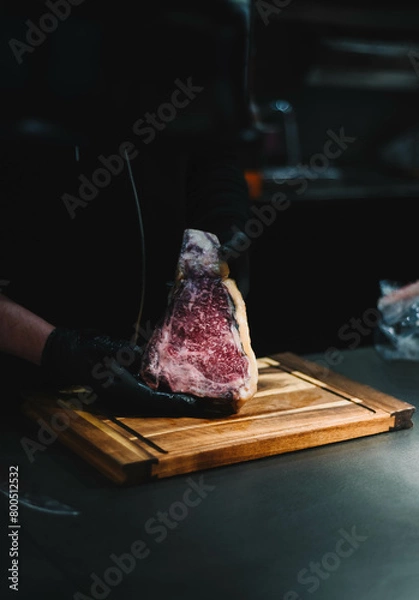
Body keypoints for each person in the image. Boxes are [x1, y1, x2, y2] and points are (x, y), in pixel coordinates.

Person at [0, 4, 253, 418]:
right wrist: (60, 349)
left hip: (156, 380)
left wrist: (221, 228)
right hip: (22, 394)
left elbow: (213, 156)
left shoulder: (185, 31)